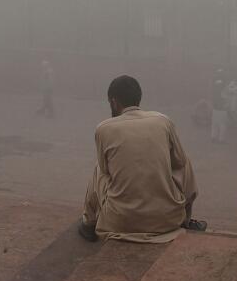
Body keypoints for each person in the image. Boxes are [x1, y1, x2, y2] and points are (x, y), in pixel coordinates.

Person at [79, 75, 205, 243]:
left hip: (120, 221)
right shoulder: (163, 121)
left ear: (113, 102)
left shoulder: (104, 128)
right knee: (184, 162)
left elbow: (106, 170)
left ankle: (89, 222)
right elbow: (179, 162)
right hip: (167, 220)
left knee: (100, 168)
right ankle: (186, 219)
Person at [210, 78, 228, 143]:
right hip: (222, 110)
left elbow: (213, 101)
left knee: (214, 125)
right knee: (222, 125)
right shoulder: (223, 92)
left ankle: (213, 137)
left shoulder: (214, 92)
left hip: (215, 110)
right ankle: (221, 139)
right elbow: (225, 101)